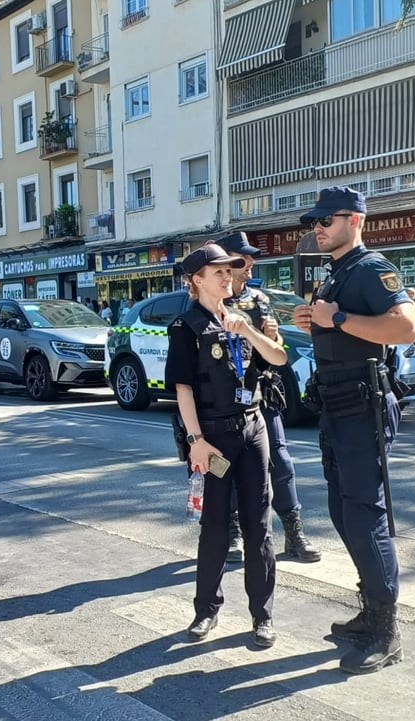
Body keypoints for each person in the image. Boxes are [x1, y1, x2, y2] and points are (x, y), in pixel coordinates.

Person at [292, 186, 415, 674]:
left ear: (355, 220)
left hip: (362, 408)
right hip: (336, 405)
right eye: (315, 223)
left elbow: (406, 328)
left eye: (326, 221)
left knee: (365, 515)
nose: (317, 229)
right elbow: (344, 332)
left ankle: (387, 632)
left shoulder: (370, 269)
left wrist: (337, 317)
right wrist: (316, 322)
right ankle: (370, 610)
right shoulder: (336, 273)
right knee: (343, 512)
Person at [165, 243, 286, 649]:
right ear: (196, 279)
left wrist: (248, 329)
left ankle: (263, 616)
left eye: (229, 271)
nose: (227, 276)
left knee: (260, 526)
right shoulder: (185, 328)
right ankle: (206, 609)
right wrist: (196, 441)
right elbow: (182, 391)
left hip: (253, 431)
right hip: (213, 440)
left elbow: (279, 358)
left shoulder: (243, 318)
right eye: (217, 272)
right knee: (215, 527)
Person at [215, 231, 321, 564]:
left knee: (281, 463)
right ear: (228, 261)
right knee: (227, 468)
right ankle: (232, 535)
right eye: (244, 258)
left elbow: (273, 352)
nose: (251, 264)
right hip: (223, 400)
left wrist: (272, 338)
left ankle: (293, 533)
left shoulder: (259, 300)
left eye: (251, 258)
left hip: (261, 391)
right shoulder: (209, 301)